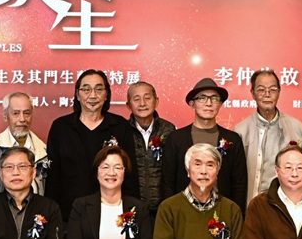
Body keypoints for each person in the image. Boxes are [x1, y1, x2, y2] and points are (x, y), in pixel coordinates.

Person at [46, 69, 139, 219]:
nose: (93, 95)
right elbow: (53, 178)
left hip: (112, 213)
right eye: (86, 89)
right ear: (77, 95)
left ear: (106, 94)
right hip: (68, 215)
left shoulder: (120, 126)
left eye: (99, 89)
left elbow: (130, 173)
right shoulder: (61, 127)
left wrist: (130, 214)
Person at [160, 78, 248, 211]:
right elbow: (167, 182)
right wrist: (171, 213)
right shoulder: (176, 138)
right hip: (183, 212)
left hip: (222, 213)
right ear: (192, 103)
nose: (209, 103)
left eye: (214, 98)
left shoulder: (233, 139)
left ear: (220, 104)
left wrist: (235, 214)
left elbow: (239, 184)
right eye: (202, 98)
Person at [236, 69, 302, 204]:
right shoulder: (241, 131)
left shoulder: (296, 128)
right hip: (252, 203)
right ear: (252, 93)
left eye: (273, 89)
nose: (267, 94)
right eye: (261, 90)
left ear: (279, 92)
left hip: (288, 205)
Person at [0, 92, 48, 202]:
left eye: (27, 113)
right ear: (5, 115)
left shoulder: (43, 150)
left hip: (36, 211)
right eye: (16, 113)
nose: (22, 119)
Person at [126, 81, 176, 219]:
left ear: (156, 101)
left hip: (163, 207)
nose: (142, 103)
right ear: (128, 105)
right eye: (136, 99)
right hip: (131, 207)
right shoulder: (123, 130)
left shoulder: (169, 130)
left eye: (147, 98)